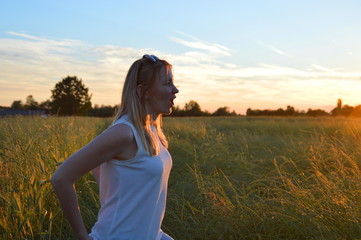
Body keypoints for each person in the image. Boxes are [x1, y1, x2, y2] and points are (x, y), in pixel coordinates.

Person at [51, 54, 179, 240]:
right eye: (167, 83)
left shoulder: (152, 131)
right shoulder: (124, 133)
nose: (175, 90)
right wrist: (81, 235)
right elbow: (61, 178)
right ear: (144, 91)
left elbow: (100, 167)